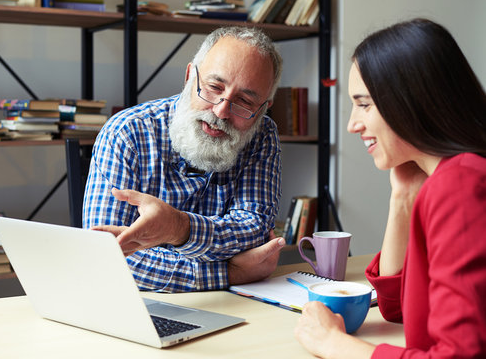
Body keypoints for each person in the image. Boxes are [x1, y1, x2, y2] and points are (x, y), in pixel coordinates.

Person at [295, 18, 486, 358]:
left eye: (364, 104)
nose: (353, 124)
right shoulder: (446, 178)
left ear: (413, 100)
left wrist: (332, 343)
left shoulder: (461, 183)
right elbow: (396, 307)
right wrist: (402, 197)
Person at [83, 26, 286, 292]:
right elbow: (105, 256)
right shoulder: (127, 132)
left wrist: (179, 228)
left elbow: (254, 232)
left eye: (245, 101)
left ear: (263, 109)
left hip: (231, 306)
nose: (221, 111)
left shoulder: (263, 136)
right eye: (214, 87)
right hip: (131, 304)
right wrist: (231, 272)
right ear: (190, 76)